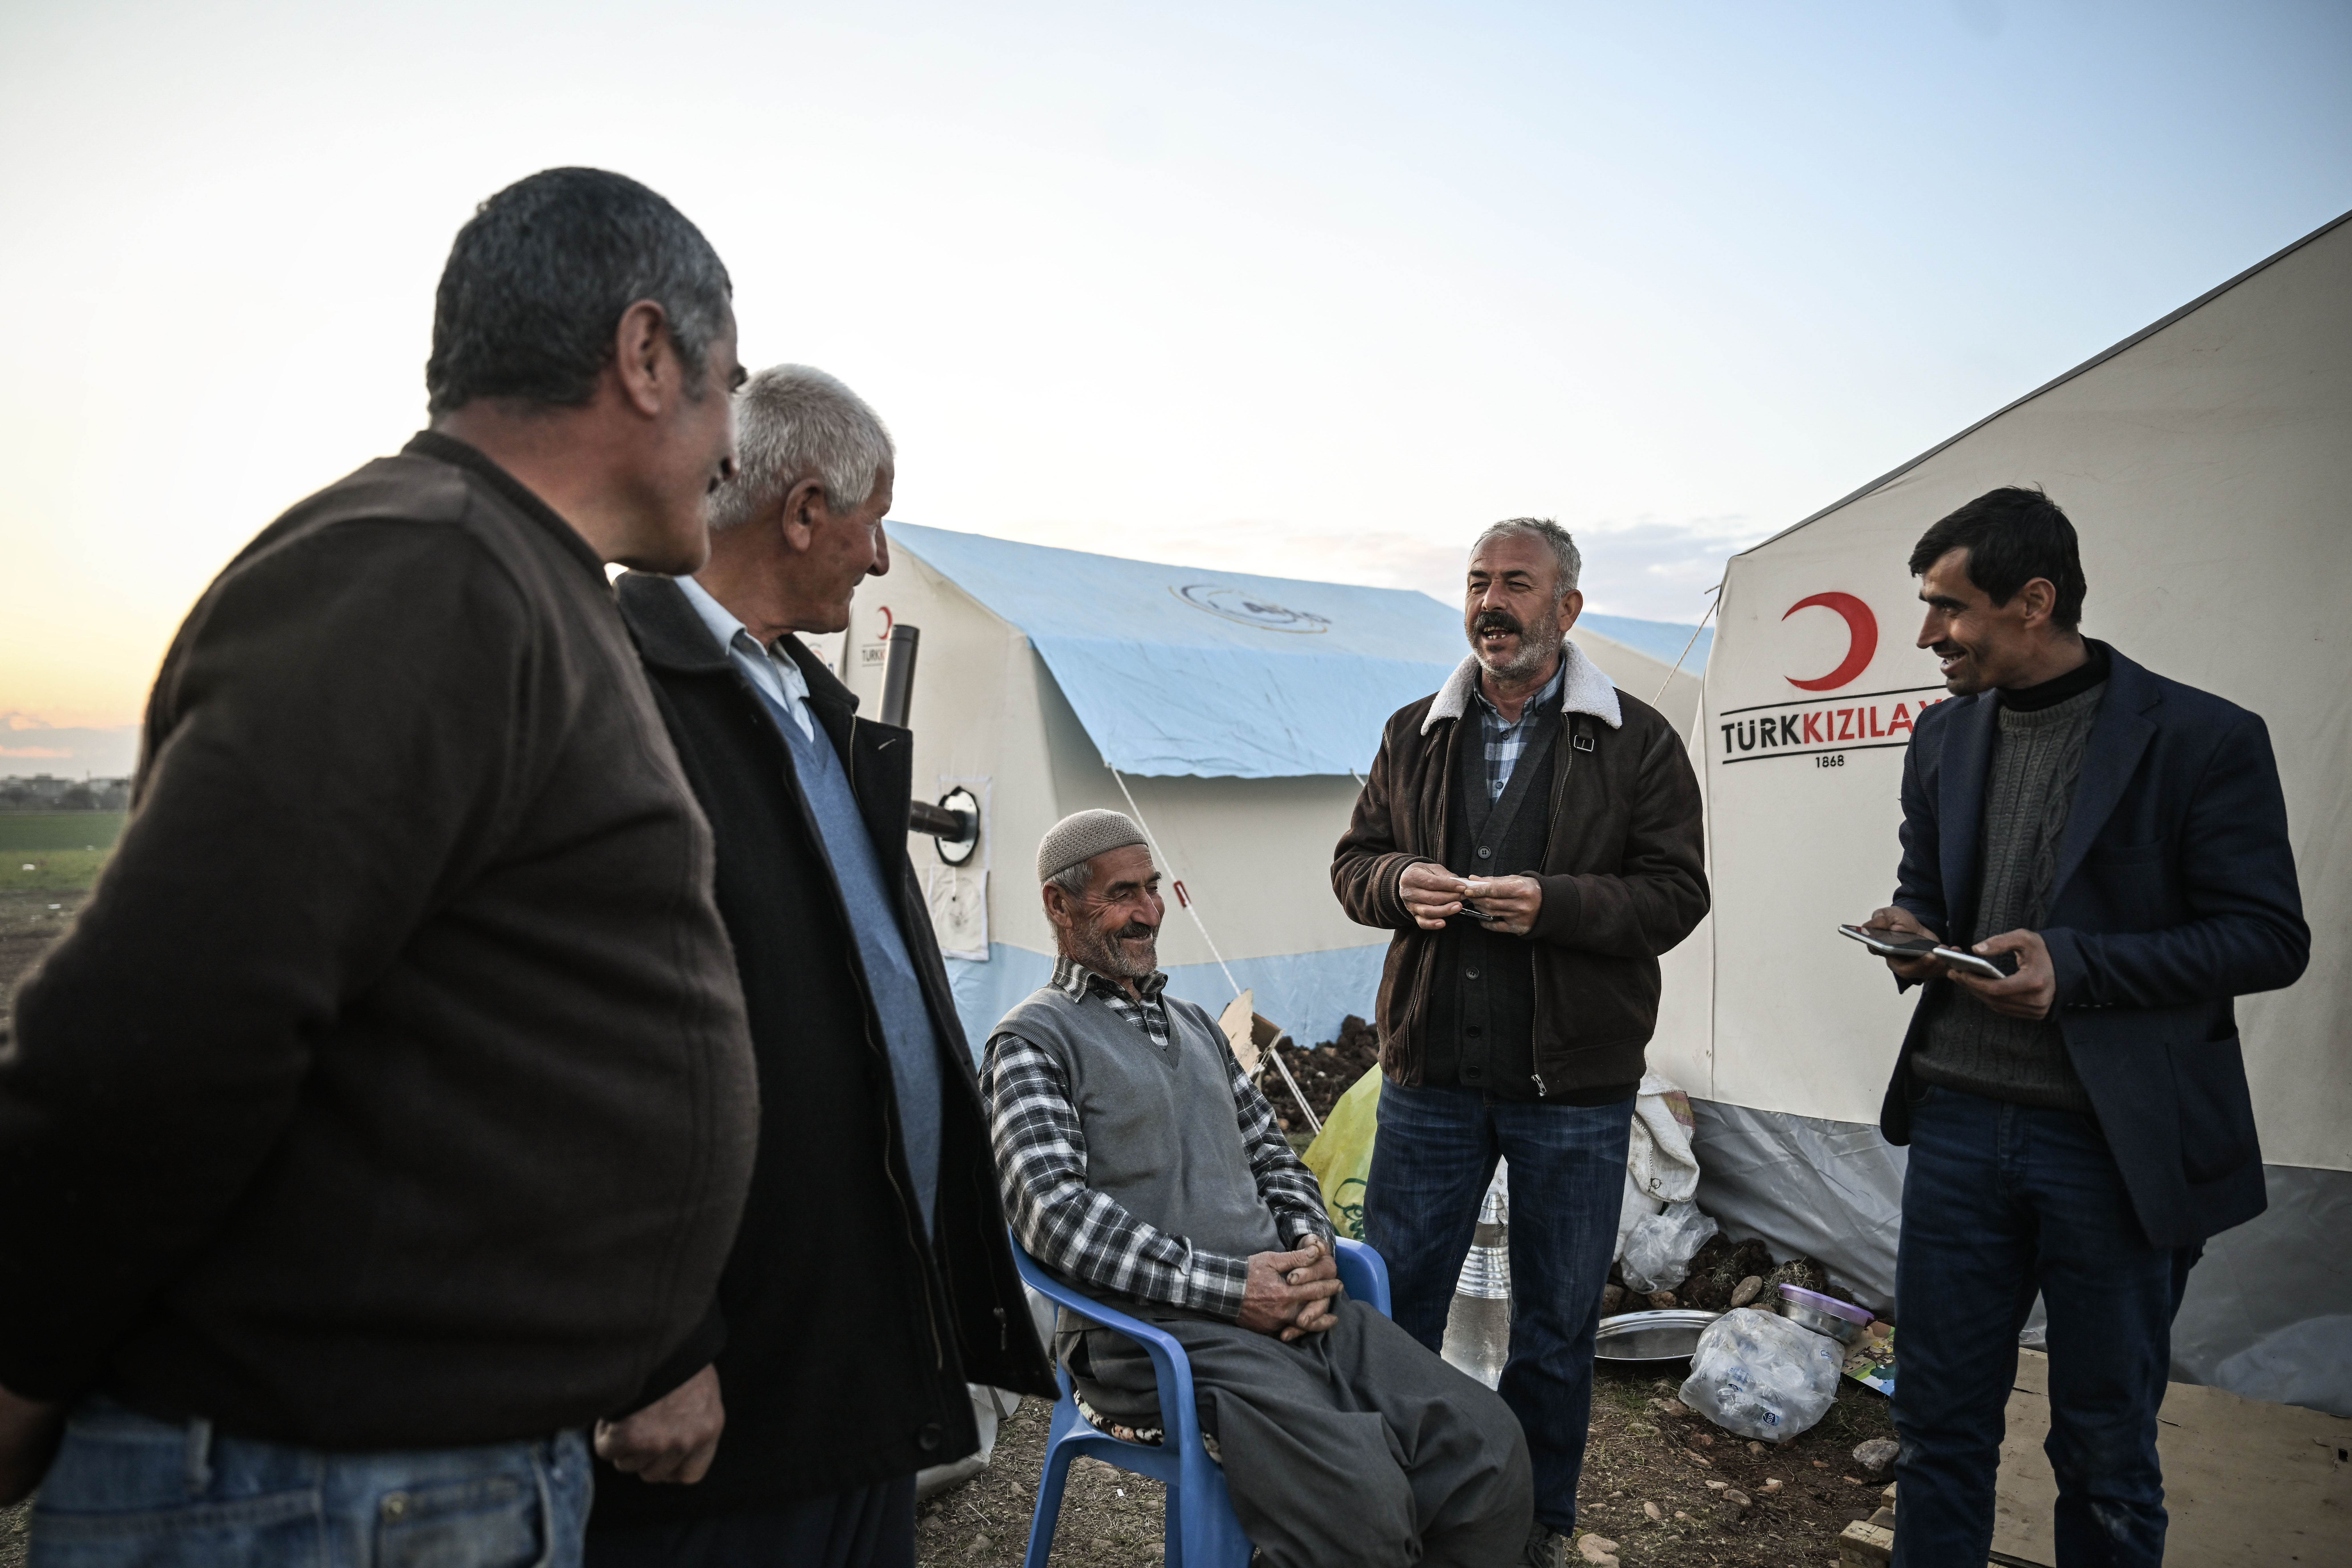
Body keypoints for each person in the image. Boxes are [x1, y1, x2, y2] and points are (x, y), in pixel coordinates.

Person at [0, 168, 762, 1561]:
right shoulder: (427, 570)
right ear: (647, 355)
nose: (735, 439)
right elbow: (158, 1028)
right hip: (311, 1492)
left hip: (403, 1485)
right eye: (730, 383)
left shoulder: (520, 581)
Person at [586, 364, 1055, 1565]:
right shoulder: (614, 690)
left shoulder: (804, 694)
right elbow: (589, 1057)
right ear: (802, 510)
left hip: (853, 1346)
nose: (882, 556)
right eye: (872, 519)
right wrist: (661, 1342)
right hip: (730, 1378)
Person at [1857, 487, 2307, 1567]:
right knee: (1935, 1431)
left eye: (1946, 608)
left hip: (2113, 1148)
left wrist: (2082, 968)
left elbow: (2267, 939)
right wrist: (1914, 933)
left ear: (2034, 602)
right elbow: (1929, 885)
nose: (1926, 635)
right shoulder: (1940, 736)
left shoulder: (2203, 738)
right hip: (1959, 1125)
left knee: (2106, 1453)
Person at [987, 811, 1535, 1568]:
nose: (1148, 912)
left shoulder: (1197, 1027)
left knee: (1485, 1446)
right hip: (1156, 1341)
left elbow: (1276, 1158)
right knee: (1359, 1500)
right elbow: (1057, 1219)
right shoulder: (1031, 1043)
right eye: (1122, 894)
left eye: (1153, 889)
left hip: (1284, 1301)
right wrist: (1233, 1289)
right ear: (1060, 904)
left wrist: (1311, 1249)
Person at [1332, 517, 1708, 1565]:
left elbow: (1678, 896)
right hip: (1431, 1080)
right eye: (1478, 583)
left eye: (1518, 585)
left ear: (1568, 609)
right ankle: (1390, 1506)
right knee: (1396, 1306)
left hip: (1576, 1090)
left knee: (1553, 1328)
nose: (1492, 603)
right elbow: (1353, 862)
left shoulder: (1637, 740)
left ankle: (1537, 1527)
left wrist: (1554, 905)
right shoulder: (1416, 730)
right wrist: (1396, 884)